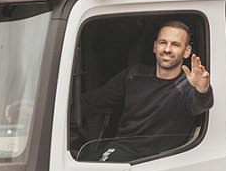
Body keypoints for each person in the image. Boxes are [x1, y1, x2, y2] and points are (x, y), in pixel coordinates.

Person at [79, 20, 213, 161]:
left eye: (175, 44)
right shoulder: (134, 75)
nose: (167, 49)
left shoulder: (187, 86)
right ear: (155, 47)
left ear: (187, 52)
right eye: (163, 42)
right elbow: (92, 102)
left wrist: (202, 89)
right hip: (121, 152)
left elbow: (200, 104)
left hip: (156, 165)